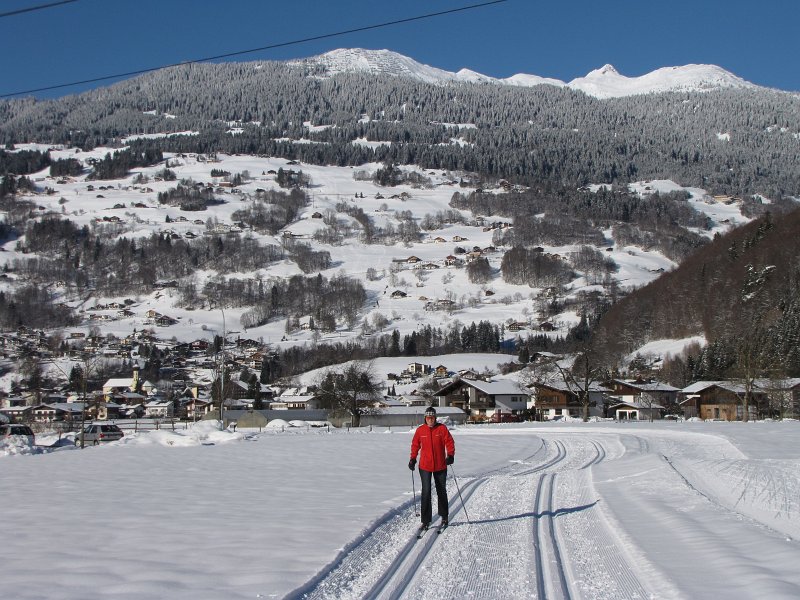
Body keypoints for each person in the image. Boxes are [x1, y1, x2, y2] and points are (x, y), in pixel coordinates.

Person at [408, 406, 455, 529]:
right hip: (425, 466)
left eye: (432, 417)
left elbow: (449, 442)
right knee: (426, 492)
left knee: (441, 491)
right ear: (425, 418)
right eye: (428, 418)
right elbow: (415, 445)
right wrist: (413, 459)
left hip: (440, 465)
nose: (430, 419)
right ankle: (425, 520)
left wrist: (450, 455)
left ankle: (444, 516)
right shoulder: (420, 430)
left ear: (435, 418)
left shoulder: (442, 428)